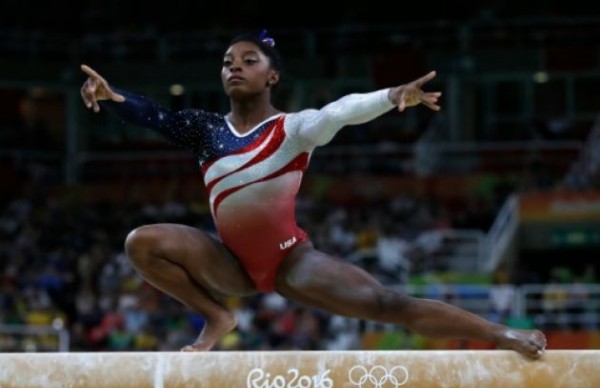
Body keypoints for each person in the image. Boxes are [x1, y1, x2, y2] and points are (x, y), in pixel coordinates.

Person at [79, 29, 547, 358]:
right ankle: (217, 318)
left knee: (388, 305)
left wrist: (389, 96)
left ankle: (501, 333)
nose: (235, 67)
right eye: (227, 62)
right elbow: (156, 116)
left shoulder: (293, 129)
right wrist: (112, 95)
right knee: (141, 241)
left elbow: (340, 112)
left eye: (248, 61)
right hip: (228, 264)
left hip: (290, 261)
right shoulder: (205, 129)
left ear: (272, 77)